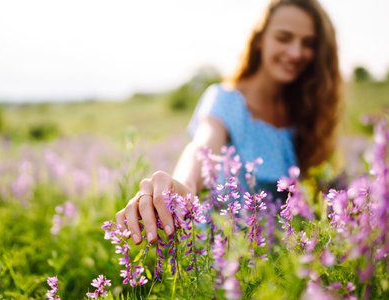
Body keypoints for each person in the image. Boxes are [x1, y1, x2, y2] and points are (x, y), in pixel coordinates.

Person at [116, 0, 341, 246]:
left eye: (307, 43)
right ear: (259, 40)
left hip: (282, 267)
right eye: (284, 38)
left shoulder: (306, 113)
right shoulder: (225, 99)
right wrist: (183, 184)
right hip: (223, 260)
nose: (296, 52)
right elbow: (202, 148)